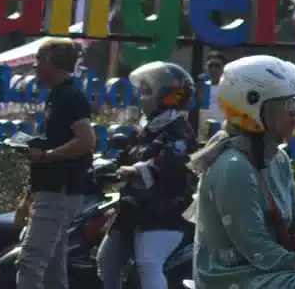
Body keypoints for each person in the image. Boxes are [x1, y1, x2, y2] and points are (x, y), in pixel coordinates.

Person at [191, 55, 295, 289]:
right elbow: (255, 247)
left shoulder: (277, 158)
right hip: (232, 276)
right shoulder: (232, 165)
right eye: (286, 105)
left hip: (273, 267)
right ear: (254, 108)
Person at [96, 61, 198, 289]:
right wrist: (104, 164)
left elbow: (168, 165)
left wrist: (135, 170)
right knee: (106, 261)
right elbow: (127, 155)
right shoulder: (148, 127)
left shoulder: (179, 131)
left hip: (164, 213)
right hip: (133, 210)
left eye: (147, 92)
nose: (141, 98)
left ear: (166, 97)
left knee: (148, 264)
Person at [19, 37, 96, 289]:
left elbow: (86, 141)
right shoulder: (59, 96)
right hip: (54, 191)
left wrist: (46, 155)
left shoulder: (71, 97)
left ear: (52, 62)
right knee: (52, 268)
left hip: (59, 192)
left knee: (30, 263)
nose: (35, 66)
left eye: (39, 60)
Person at [202, 50, 228, 134]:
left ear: (224, 67)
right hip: (203, 131)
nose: (214, 69)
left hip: (223, 131)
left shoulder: (230, 86)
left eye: (217, 66)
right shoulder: (199, 86)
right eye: (211, 65)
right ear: (206, 67)